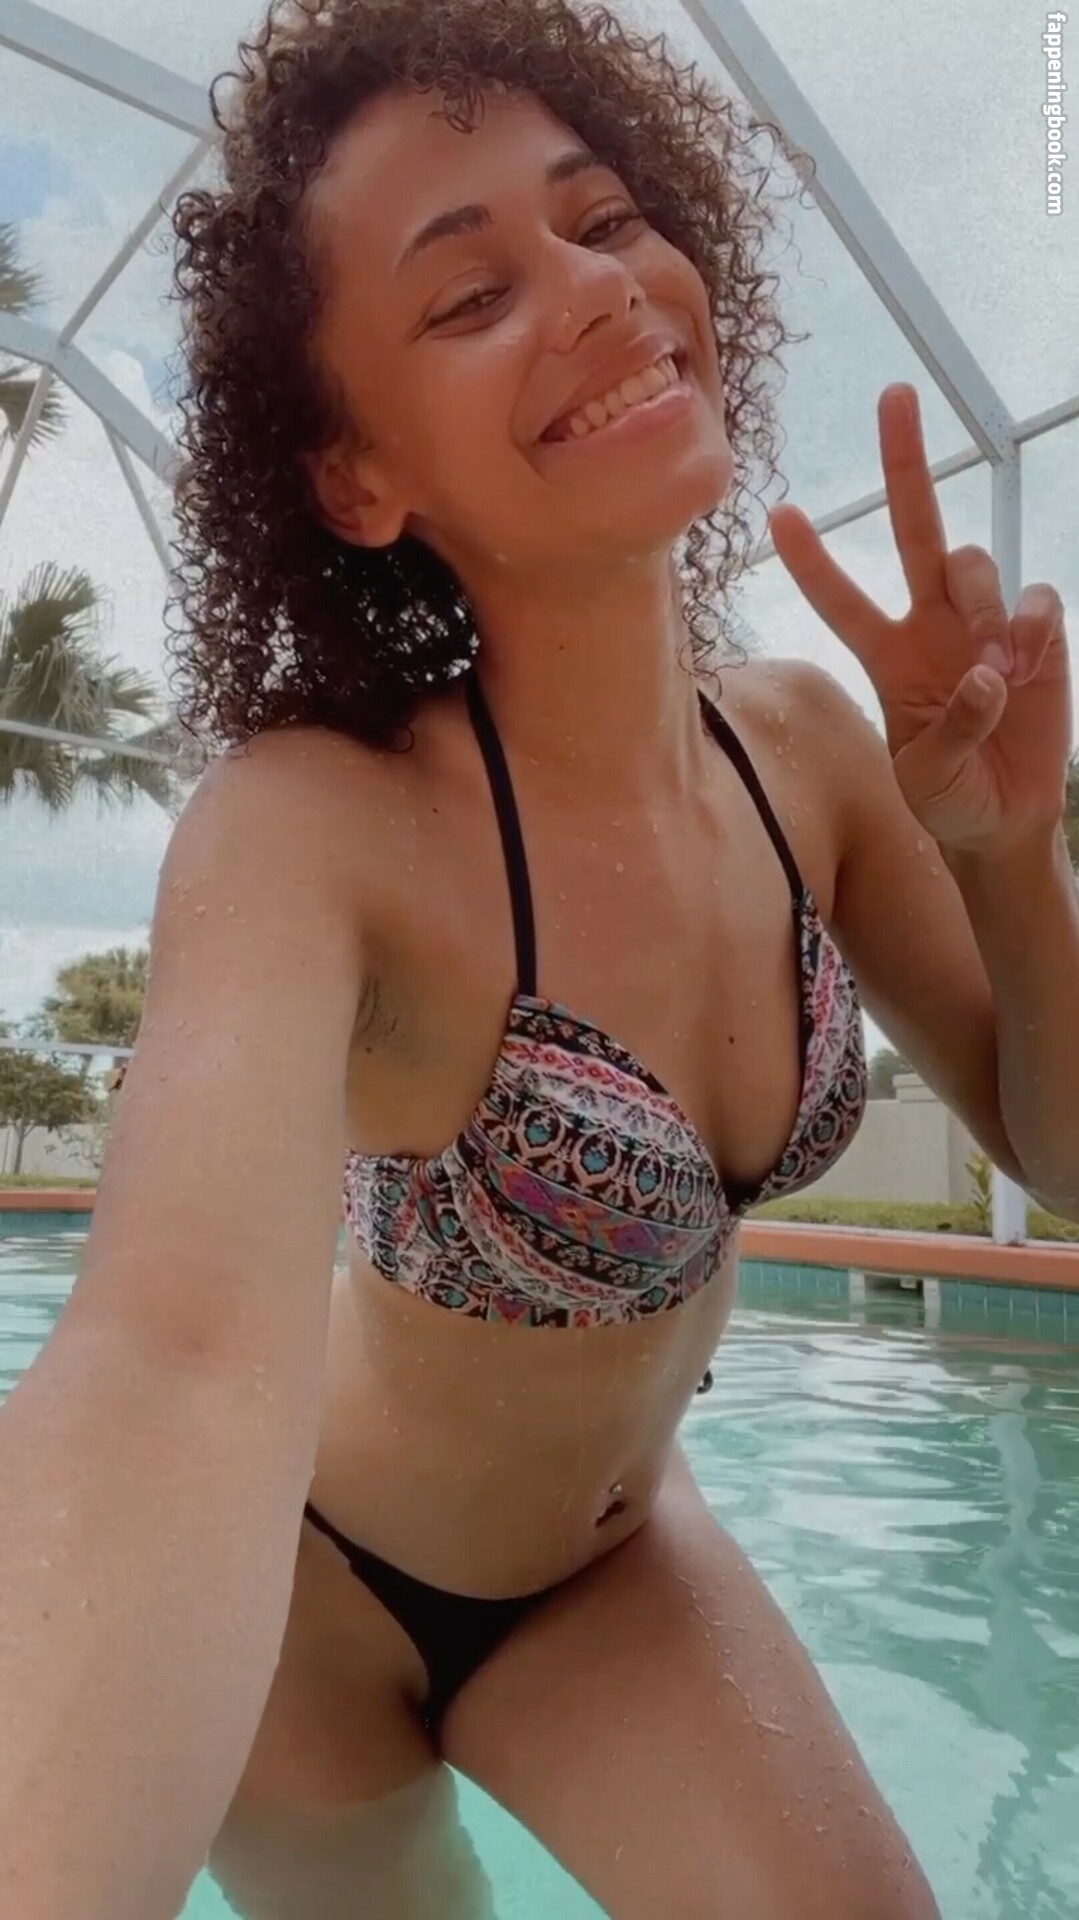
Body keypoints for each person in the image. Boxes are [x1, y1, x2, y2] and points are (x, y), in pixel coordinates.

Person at [3, 1, 1076, 1915]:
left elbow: (1059, 1154)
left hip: (614, 1570)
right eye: (469, 294)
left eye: (601, 219)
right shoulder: (320, 827)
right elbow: (172, 1360)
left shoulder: (811, 753)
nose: (591, 289)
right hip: (310, 1620)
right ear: (355, 477)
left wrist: (1012, 864)